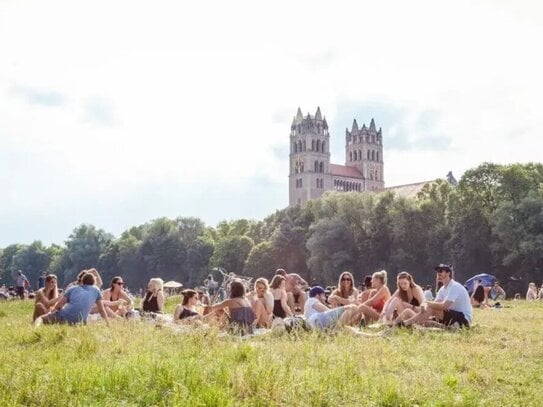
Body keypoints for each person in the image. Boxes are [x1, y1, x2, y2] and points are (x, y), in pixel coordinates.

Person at [402, 264, 472, 328]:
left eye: (441, 271)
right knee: (425, 320)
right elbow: (435, 304)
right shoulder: (442, 289)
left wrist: (427, 303)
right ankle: (447, 327)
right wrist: (425, 306)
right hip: (452, 316)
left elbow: (444, 306)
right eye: (437, 271)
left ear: (448, 273)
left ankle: (405, 323)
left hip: (463, 319)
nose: (438, 273)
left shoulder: (455, 286)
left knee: (432, 308)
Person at [34, 272, 109, 326]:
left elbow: (59, 306)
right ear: (93, 282)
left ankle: (35, 328)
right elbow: (102, 310)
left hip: (64, 316)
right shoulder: (96, 290)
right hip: (80, 321)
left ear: (82, 281)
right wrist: (108, 324)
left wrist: (51, 314)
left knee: (40, 318)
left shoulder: (73, 288)